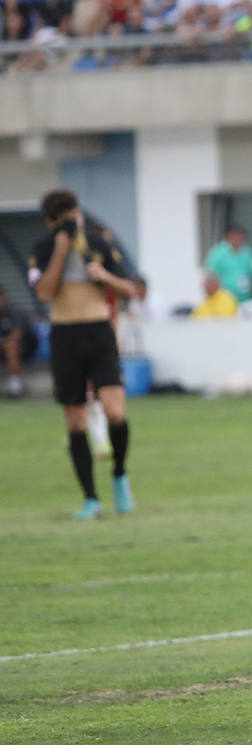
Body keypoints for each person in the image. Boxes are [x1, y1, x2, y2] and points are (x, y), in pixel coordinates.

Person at [29, 189, 140, 519]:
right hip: (65, 335)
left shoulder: (98, 245)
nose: (72, 225)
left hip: (98, 332)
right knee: (76, 419)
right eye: (64, 221)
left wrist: (104, 276)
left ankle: (119, 473)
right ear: (51, 223)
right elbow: (44, 292)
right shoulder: (43, 248)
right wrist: (62, 250)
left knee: (114, 411)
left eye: (74, 217)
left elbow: (129, 290)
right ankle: (91, 498)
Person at [202, 224, 252, 303]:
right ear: (230, 236)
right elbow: (210, 275)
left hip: (244, 298)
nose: (239, 238)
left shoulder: (247, 252)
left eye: (241, 236)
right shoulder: (218, 253)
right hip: (224, 299)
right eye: (237, 235)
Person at [1, 289, 35, 398]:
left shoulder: (14, 311)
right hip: (4, 347)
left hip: (26, 347)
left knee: (11, 347)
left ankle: (15, 386)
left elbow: (18, 334)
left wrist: (4, 342)